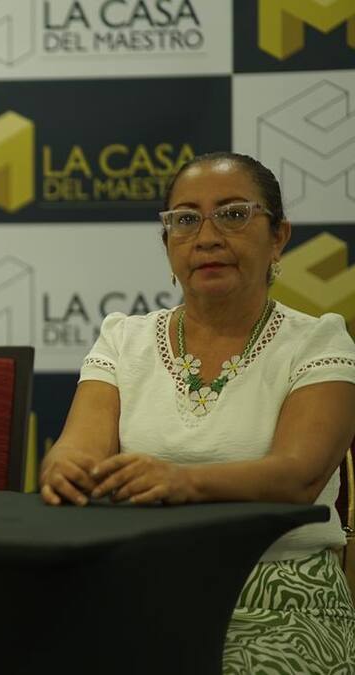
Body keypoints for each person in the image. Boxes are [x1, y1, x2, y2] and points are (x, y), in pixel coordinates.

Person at [40, 151, 355, 670]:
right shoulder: (123, 338)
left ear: (278, 237)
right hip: (135, 585)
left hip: (280, 596)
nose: (207, 238)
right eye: (185, 220)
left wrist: (181, 482)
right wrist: (64, 470)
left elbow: (297, 476)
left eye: (233, 215)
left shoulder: (319, 342)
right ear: (167, 242)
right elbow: (76, 452)